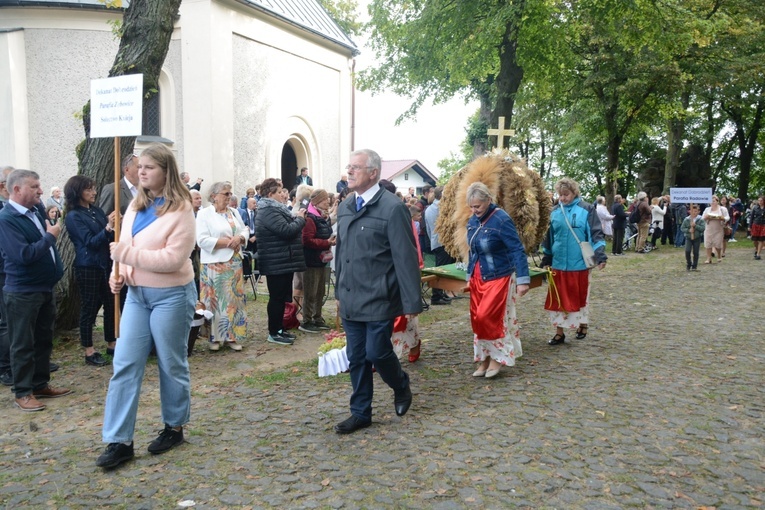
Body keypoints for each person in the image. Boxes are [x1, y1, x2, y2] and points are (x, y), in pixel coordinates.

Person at [96, 143, 196, 469]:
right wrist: (121, 274)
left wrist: (126, 258)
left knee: (170, 362)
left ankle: (174, 426)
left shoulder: (181, 209)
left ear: (166, 171)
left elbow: (173, 259)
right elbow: (125, 247)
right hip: (137, 297)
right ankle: (119, 440)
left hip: (172, 295)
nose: (142, 172)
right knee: (124, 364)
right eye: (140, 167)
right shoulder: (136, 207)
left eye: (150, 167)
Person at [333, 149, 422, 434]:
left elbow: (405, 258)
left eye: (355, 167)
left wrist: (411, 301)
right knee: (356, 356)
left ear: (373, 173)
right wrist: (338, 290)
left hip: (379, 296)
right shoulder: (346, 206)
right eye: (349, 167)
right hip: (351, 296)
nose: (349, 171)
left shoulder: (392, 208)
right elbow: (341, 252)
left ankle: (400, 384)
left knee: (377, 352)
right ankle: (360, 412)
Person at [0, 169, 71, 412]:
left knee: (43, 339)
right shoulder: (6, 219)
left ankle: (40, 384)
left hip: (43, 288)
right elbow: (23, 255)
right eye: (34, 186)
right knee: (22, 343)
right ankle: (23, 392)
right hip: (22, 292)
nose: (41, 191)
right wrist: (51, 237)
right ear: (16, 189)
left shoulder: (35, 212)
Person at [466, 182, 530, 378]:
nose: (474, 210)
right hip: (479, 276)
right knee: (478, 319)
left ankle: (498, 358)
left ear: (489, 201)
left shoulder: (501, 219)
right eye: (472, 206)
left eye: (478, 206)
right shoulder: (472, 221)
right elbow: (473, 251)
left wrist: (523, 279)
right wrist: (469, 276)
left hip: (499, 276)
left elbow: (517, 249)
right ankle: (484, 358)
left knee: (490, 318)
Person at [541, 177, 607, 346]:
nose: (563, 198)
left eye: (566, 194)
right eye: (560, 195)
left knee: (580, 295)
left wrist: (600, 255)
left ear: (574, 192)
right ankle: (559, 333)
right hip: (559, 263)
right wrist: (547, 258)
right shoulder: (554, 212)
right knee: (558, 298)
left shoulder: (586, 209)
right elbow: (549, 238)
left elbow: (595, 234)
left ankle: (582, 324)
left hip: (580, 263)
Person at [63, 175, 117, 366]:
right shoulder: (73, 216)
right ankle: (89, 350)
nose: (94, 192)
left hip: (105, 264)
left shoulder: (96, 211)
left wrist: (114, 226)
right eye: (89, 189)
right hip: (87, 266)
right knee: (89, 307)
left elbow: (107, 236)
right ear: (77, 192)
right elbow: (90, 242)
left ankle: (112, 343)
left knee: (111, 305)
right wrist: (108, 228)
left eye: (94, 188)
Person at [196, 181, 249, 351]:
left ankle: (232, 337)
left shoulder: (233, 212)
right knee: (214, 301)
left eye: (230, 193)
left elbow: (244, 229)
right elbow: (202, 240)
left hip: (234, 263)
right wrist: (227, 242)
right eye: (225, 194)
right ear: (214, 196)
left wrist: (240, 238)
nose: (229, 197)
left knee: (234, 301)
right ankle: (215, 338)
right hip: (214, 264)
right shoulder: (205, 214)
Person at [255, 177, 306, 345]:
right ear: (270, 194)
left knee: (282, 298)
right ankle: (274, 331)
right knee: (276, 298)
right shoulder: (268, 211)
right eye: (279, 192)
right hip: (275, 261)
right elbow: (286, 231)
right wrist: (300, 219)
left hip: (283, 260)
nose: (283, 194)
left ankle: (280, 328)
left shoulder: (277, 209)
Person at [299, 188, 336, 333]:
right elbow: (306, 240)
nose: (328, 201)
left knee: (320, 291)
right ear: (317, 202)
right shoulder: (310, 218)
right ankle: (306, 320)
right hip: (311, 261)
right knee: (310, 291)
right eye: (325, 199)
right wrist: (327, 242)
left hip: (320, 260)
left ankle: (317, 317)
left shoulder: (321, 216)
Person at [424, 186, 456, 306]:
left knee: (441, 269)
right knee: (441, 270)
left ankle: (440, 294)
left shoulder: (429, 209)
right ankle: (436, 296)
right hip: (443, 242)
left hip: (435, 242)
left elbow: (428, 229)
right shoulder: (442, 208)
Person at [702, 195, 729, 264]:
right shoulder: (707, 209)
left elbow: (727, 217)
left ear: (717, 201)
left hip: (718, 229)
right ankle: (708, 258)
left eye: (714, 201)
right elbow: (703, 217)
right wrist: (706, 217)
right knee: (708, 244)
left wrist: (722, 218)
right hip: (709, 228)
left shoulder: (723, 209)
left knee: (717, 244)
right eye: (711, 201)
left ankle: (719, 255)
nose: (712, 203)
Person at [680, 204, 705, 271]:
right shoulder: (687, 219)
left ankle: (695, 265)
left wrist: (695, 226)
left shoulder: (700, 219)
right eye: (693, 211)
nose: (694, 213)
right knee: (687, 250)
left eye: (696, 211)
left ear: (698, 211)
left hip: (697, 238)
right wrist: (688, 230)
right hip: (688, 237)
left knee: (696, 252)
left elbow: (703, 228)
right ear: (690, 211)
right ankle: (689, 263)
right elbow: (682, 228)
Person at [750, 195, 765, 260]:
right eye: (759, 200)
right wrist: (749, 226)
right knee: (755, 240)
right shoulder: (755, 208)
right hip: (755, 224)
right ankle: (757, 249)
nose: (760, 202)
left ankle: (758, 254)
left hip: (763, 225)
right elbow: (751, 217)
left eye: (761, 200)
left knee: (761, 239)